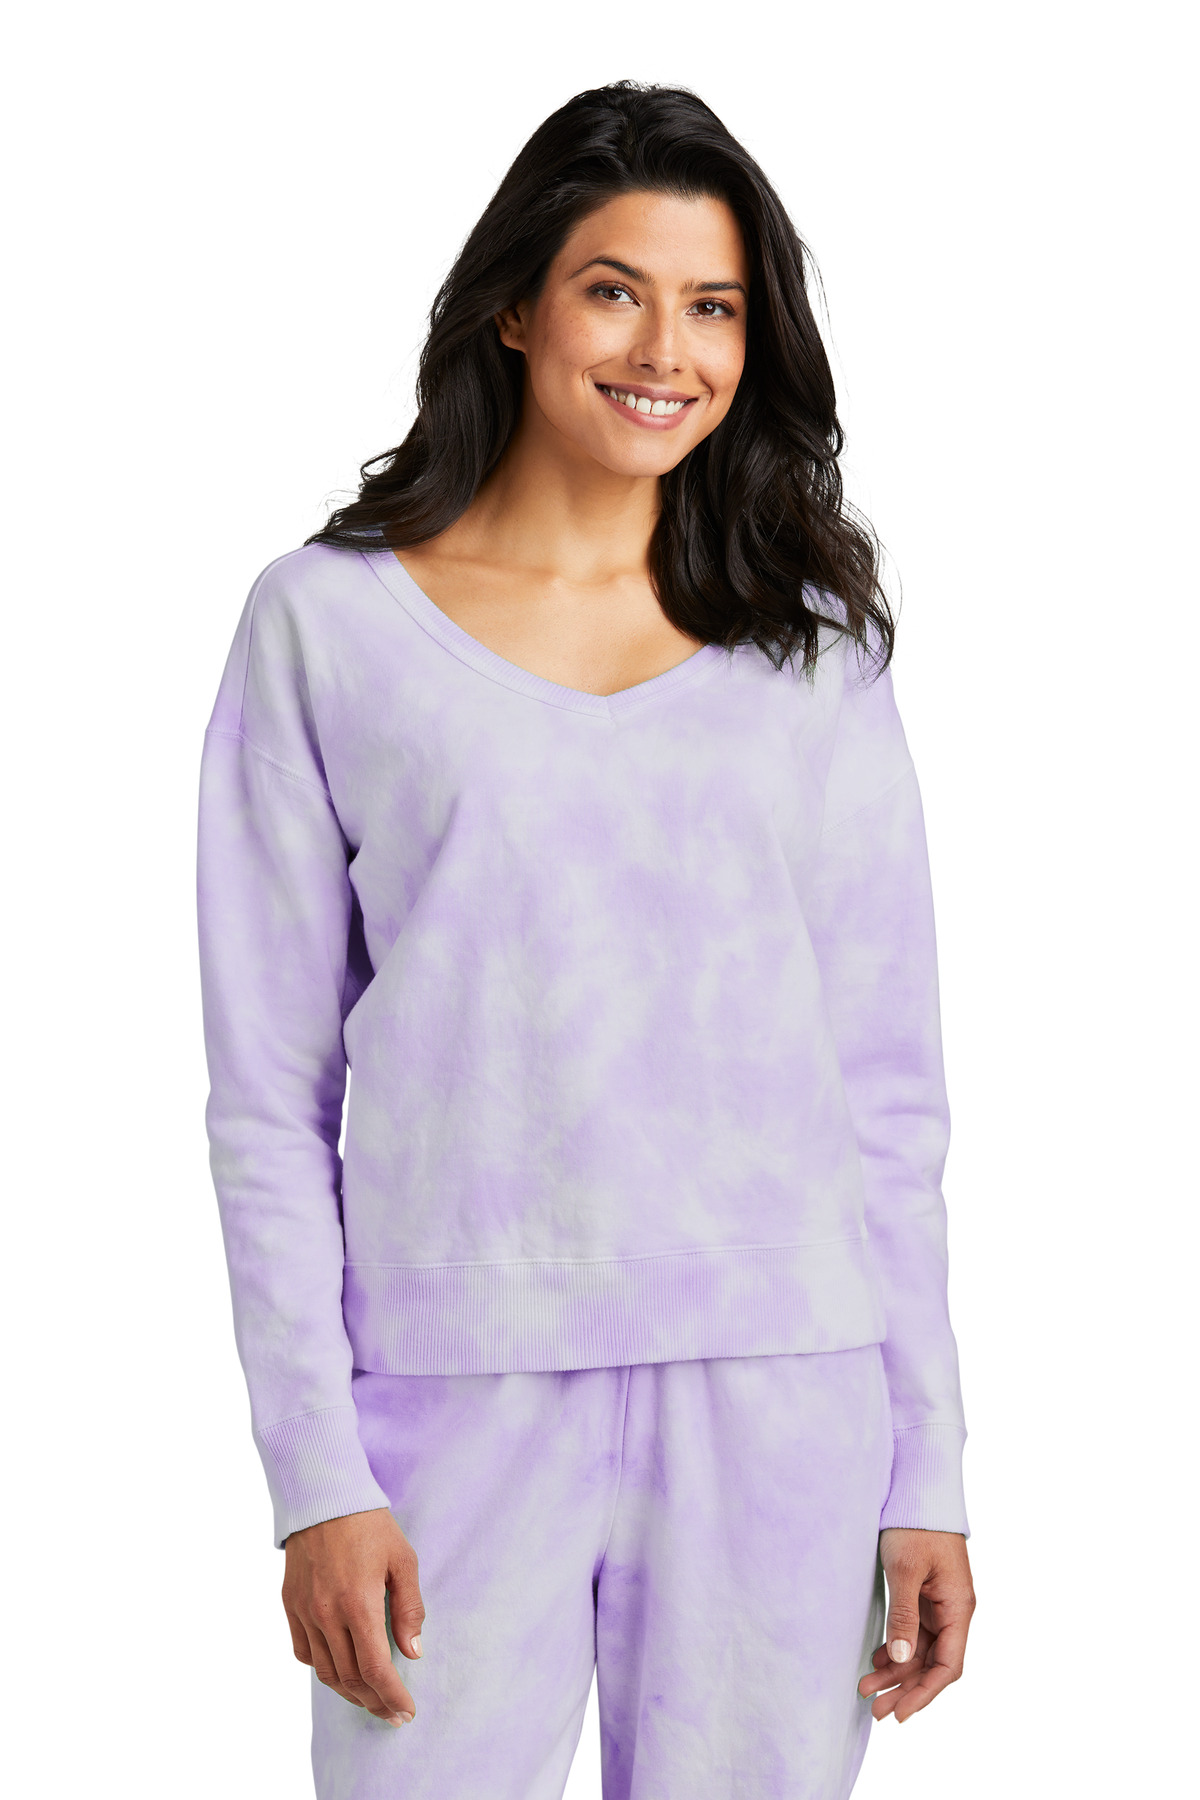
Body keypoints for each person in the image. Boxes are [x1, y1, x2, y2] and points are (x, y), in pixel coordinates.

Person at [197, 78, 976, 1800]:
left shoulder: (810, 648)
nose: (665, 351)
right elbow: (267, 1100)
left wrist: (928, 1465)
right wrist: (315, 1477)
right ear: (516, 306)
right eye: (615, 290)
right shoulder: (329, 625)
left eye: (715, 307)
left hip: (782, 1392)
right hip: (453, 1394)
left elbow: (885, 1094)